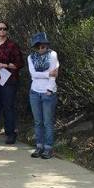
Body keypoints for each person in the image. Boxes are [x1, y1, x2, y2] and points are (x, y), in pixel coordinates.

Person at [0, 21, 23, 144]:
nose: (2, 31)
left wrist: (5, 65)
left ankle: (10, 133)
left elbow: (20, 64)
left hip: (9, 80)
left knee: (8, 107)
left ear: (7, 30)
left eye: (4, 29)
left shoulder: (13, 45)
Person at [28, 32, 59, 160]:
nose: (41, 49)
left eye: (43, 46)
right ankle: (39, 146)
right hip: (35, 91)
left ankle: (48, 148)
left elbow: (54, 74)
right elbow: (33, 74)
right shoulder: (31, 57)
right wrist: (48, 74)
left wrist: (49, 89)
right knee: (38, 121)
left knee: (48, 122)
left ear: (47, 45)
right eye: (38, 47)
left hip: (48, 92)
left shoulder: (52, 54)